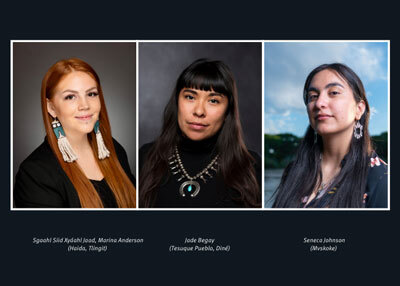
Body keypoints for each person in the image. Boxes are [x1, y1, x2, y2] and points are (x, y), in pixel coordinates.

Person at [14, 58, 136, 208]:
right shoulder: (34, 174)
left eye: (91, 94)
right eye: (70, 97)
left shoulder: (113, 149)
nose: (85, 105)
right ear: (51, 108)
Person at [139, 59, 261, 208]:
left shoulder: (250, 166)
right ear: (177, 101)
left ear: (227, 110)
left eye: (214, 101)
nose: (199, 111)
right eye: (190, 97)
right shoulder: (146, 156)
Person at [273, 63, 387, 208]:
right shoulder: (294, 171)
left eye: (334, 93)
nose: (319, 103)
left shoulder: (381, 178)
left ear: (359, 109)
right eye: (313, 96)